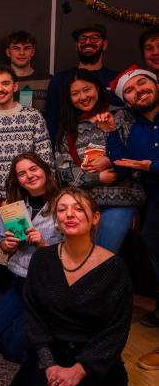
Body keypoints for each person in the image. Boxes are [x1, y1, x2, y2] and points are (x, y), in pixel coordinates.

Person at [6, 188, 133, 386]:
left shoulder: (114, 268)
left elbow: (117, 329)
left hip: (94, 358)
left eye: (79, 209)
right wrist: (49, 365)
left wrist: (80, 370)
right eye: (62, 209)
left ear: (95, 218)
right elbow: (33, 316)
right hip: (48, 352)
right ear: (57, 219)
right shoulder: (42, 259)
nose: (69, 214)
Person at [95, 65, 159, 369]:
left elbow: (143, 164)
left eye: (142, 84)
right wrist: (110, 133)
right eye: (129, 91)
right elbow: (123, 162)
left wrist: (151, 167)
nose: (138, 92)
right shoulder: (136, 127)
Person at [0, 153, 62, 363]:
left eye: (34, 169)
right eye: (22, 174)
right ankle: (14, 325)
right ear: (18, 180)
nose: (29, 176)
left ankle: (49, 327)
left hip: (47, 288)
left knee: (13, 351)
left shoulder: (62, 204)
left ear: (45, 170)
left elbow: (73, 251)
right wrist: (7, 245)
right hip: (19, 284)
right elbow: (2, 243)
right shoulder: (14, 207)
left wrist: (43, 245)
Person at [55, 69, 144, 253]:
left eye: (87, 89)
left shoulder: (121, 116)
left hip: (119, 200)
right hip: (82, 205)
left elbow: (139, 156)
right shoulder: (68, 129)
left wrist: (110, 160)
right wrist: (98, 178)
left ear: (97, 88)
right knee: (77, 257)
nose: (82, 97)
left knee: (101, 257)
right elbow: (64, 173)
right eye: (75, 93)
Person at [0, 65, 54, 212]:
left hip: (31, 196)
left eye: (5, 83)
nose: (0, 89)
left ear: (15, 86)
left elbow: (46, 159)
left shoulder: (33, 117)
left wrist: (41, 193)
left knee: (31, 229)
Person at [44, 23, 121, 146]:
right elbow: (51, 121)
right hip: (68, 151)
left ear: (104, 44)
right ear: (77, 45)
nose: (88, 42)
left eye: (94, 37)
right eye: (82, 38)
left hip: (111, 149)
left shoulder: (117, 79)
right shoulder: (59, 80)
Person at [4, 30, 50, 112]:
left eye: (27, 48)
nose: (22, 53)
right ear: (8, 52)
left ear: (32, 52)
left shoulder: (48, 81)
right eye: (16, 48)